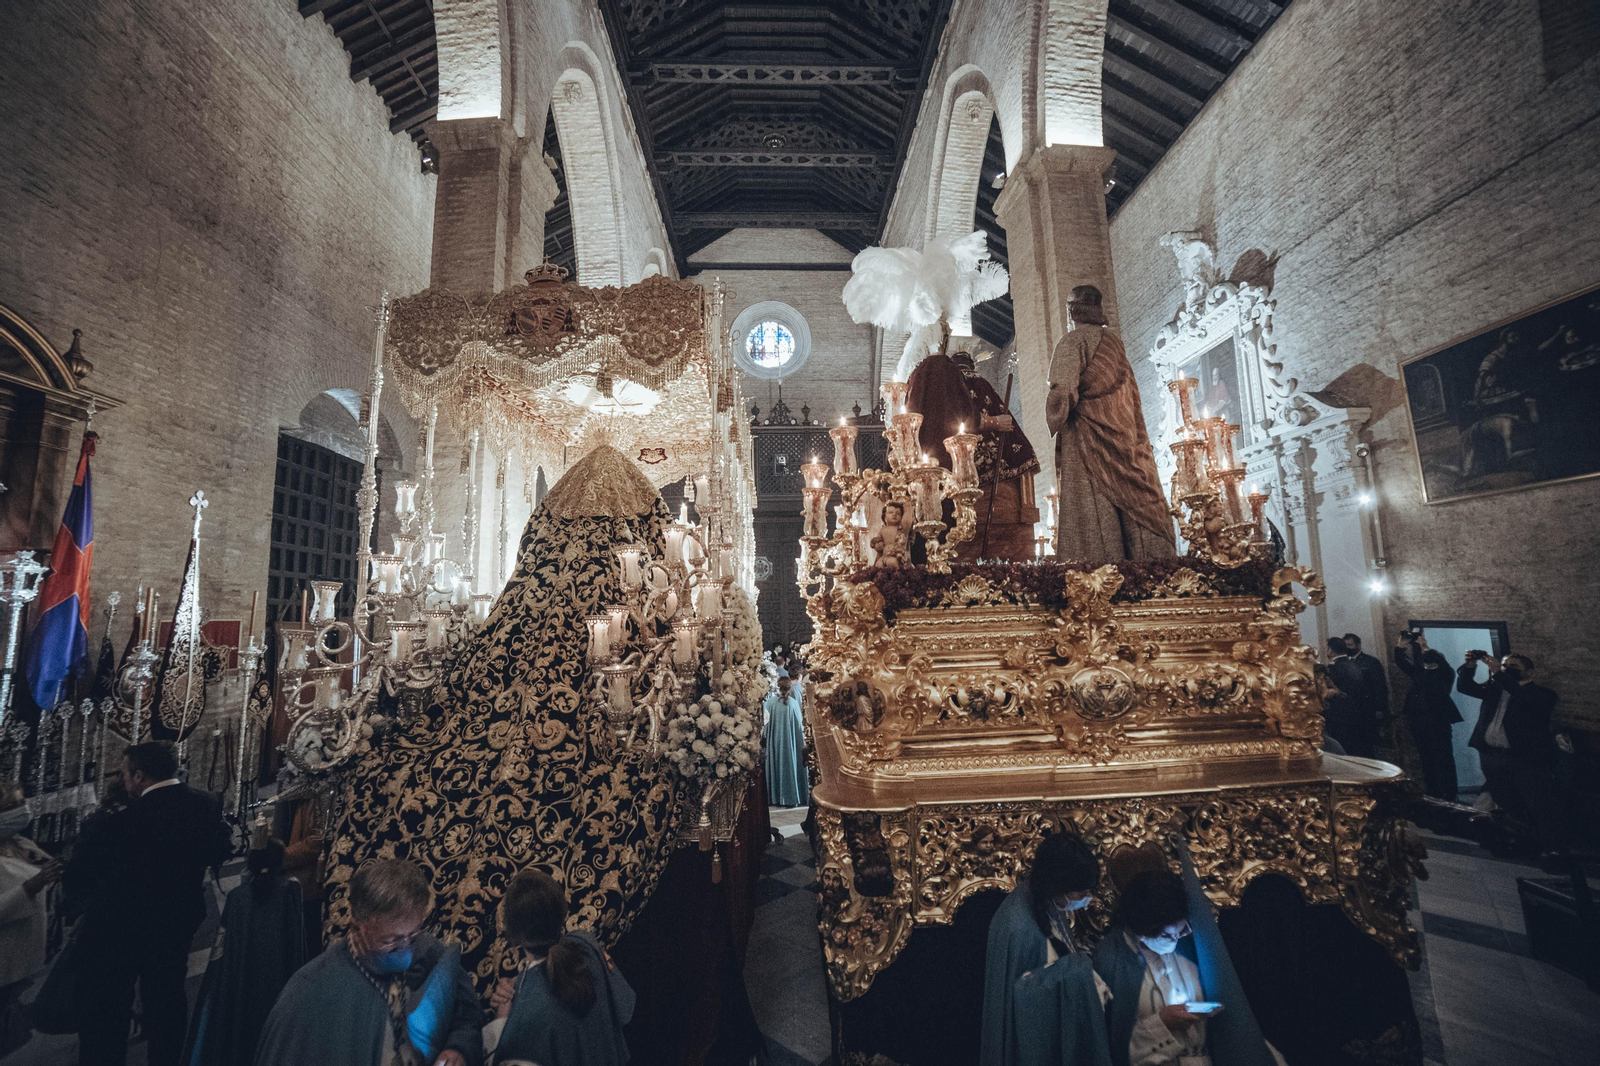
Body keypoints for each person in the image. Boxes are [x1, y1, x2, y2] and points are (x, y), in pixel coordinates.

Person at [69, 741, 232, 1066]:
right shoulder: (207, 805)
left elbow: (79, 877)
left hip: (118, 932)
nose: (124, 780)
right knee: (167, 1002)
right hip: (177, 923)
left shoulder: (115, 821)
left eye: (125, 773)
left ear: (139, 776)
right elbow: (218, 852)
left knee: (109, 1012)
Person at [255, 857, 483, 1066]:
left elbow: (467, 1019)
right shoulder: (310, 992)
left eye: (412, 936)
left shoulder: (428, 952)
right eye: (390, 941)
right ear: (356, 928)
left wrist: (458, 1050)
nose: (405, 948)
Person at [1046, 285, 1176, 564]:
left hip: (1089, 438)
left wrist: (1055, 411)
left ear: (1072, 312)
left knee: (1095, 515)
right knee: (1134, 506)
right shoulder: (1115, 345)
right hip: (1125, 434)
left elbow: (1064, 389)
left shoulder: (1073, 341)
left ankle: (1098, 581)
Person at [980, 831, 1109, 1066]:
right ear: (1059, 885)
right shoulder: (1018, 926)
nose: (1088, 899)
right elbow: (1026, 1007)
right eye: (1082, 893)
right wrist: (1081, 976)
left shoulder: (1048, 904)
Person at [483, 869, 633, 1066]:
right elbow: (625, 1007)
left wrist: (500, 1021)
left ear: (513, 936)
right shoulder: (587, 944)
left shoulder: (522, 1021)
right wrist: (520, 982)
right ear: (563, 911)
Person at [904, 346, 1041, 561]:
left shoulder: (930, 383)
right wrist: (994, 422)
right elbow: (959, 418)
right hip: (975, 481)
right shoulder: (968, 384)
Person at [183, 836, 309, 1066]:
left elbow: (222, 951)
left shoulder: (237, 898)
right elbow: (296, 945)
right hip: (277, 983)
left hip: (242, 980)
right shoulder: (289, 893)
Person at [1092, 871, 1213, 1066]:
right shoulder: (1112, 961)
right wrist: (1162, 1023)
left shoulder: (1188, 949)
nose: (1175, 940)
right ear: (1144, 928)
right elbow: (1108, 1045)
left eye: (1181, 931)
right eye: (1167, 935)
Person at [1457, 652, 1568, 855]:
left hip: (1524, 760)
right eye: (1505, 665)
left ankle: (1553, 850)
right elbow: (1465, 687)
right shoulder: (1495, 689)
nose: (1508, 668)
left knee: (1537, 803)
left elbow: (1523, 697)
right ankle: (1521, 843)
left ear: (1529, 670)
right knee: (1506, 801)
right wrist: (1470, 666)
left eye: (1513, 665)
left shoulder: (1543, 694)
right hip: (1492, 756)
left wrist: (1499, 673)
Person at [0, 785, 62, 1054]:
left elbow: (46, 868)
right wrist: (31, 886)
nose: (23, 810)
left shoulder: (16, 843)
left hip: (21, 961)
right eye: (14, 806)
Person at [1392, 631, 1460, 801]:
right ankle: (1433, 792)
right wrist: (1400, 645)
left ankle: (1450, 794)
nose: (1427, 664)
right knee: (1425, 756)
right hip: (1418, 719)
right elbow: (1401, 663)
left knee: (1443, 756)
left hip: (1437, 719)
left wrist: (1424, 647)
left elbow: (1441, 666)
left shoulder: (1444, 674)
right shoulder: (1419, 674)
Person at [1323, 639, 1374, 757]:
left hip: (1339, 717)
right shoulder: (1354, 665)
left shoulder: (1334, 669)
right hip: (1357, 715)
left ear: (1330, 650)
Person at [764, 675, 808, 808]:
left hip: (775, 743)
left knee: (776, 762)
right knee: (791, 762)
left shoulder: (770, 703)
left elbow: (764, 726)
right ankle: (792, 795)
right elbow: (800, 727)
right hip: (791, 744)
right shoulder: (793, 704)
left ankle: (775, 796)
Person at [1340, 634, 1391, 749]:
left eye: (1350, 645)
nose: (1348, 648)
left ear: (1358, 645)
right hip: (1351, 711)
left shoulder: (1371, 662)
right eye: (1345, 646)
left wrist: (1380, 708)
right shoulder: (1344, 664)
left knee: (1367, 742)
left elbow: (1380, 686)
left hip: (1368, 709)